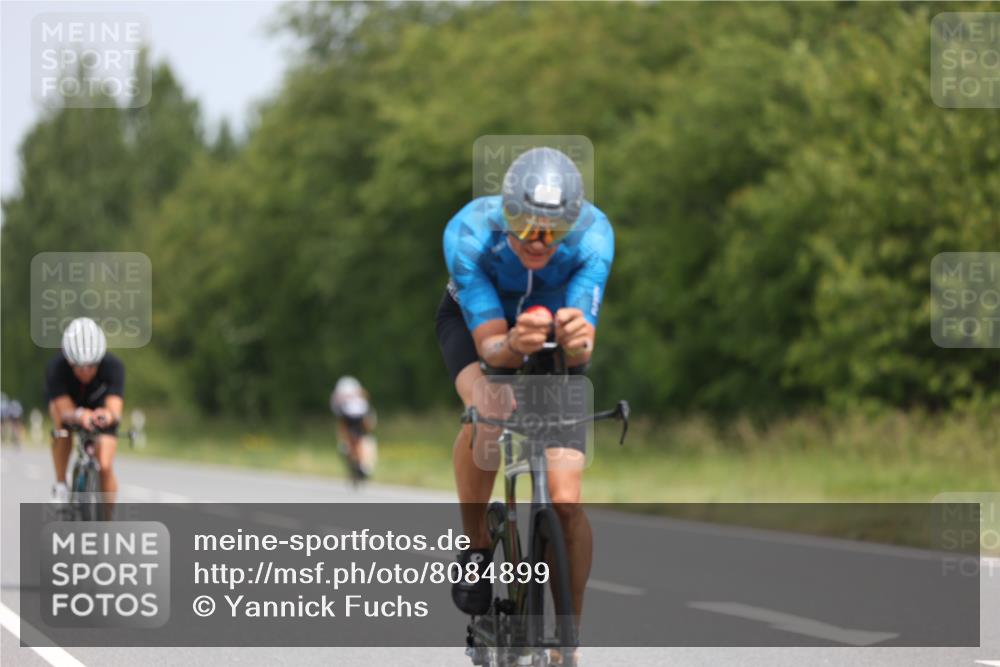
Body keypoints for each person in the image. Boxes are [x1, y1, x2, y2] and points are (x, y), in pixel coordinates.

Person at [437, 147, 614, 628]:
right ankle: (475, 545)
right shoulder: (470, 233)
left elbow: (581, 351)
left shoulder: (594, 237)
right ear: (505, 210)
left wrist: (578, 346)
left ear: (573, 223)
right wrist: (513, 344)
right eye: (524, 223)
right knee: (489, 405)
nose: (537, 241)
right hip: (484, 325)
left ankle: (568, 635)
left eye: (553, 230)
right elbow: (493, 348)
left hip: (551, 326)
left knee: (565, 501)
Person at [45, 317, 125, 505]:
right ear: (69, 361)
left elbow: (115, 409)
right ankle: (61, 483)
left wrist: (106, 415)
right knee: (61, 426)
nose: (85, 372)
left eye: (91, 366)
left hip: (99, 407)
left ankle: (107, 521)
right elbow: (64, 409)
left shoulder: (114, 367)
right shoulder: (56, 367)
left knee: (104, 466)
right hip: (70, 407)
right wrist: (80, 415)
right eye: (79, 367)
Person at [330, 376, 377, 478]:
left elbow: (368, 423)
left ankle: (364, 464)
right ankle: (356, 463)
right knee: (349, 441)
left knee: (364, 439)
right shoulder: (341, 404)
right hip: (351, 416)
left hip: (360, 417)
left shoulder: (362, 404)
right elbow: (342, 424)